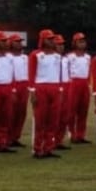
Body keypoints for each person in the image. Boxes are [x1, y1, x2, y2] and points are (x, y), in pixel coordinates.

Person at [29, 30, 66, 158]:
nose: (51, 41)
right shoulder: (36, 55)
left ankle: (48, 148)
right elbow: (32, 73)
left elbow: (59, 74)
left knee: (53, 120)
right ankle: (37, 148)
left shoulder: (57, 56)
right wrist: (32, 91)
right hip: (41, 87)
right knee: (40, 120)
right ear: (43, 40)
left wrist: (60, 90)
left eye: (52, 39)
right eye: (49, 39)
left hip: (54, 87)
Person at [65, 32, 93, 144]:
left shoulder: (88, 57)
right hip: (73, 83)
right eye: (80, 41)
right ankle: (72, 134)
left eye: (83, 41)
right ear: (74, 43)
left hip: (84, 83)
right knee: (72, 110)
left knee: (83, 110)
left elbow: (89, 72)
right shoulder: (69, 57)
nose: (82, 43)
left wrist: (89, 85)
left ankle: (81, 135)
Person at [8, 34, 30, 151]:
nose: (19, 44)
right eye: (17, 42)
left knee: (22, 112)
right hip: (13, 84)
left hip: (24, 84)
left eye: (20, 42)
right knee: (11, 112)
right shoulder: (8, 57)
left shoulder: (25, 57)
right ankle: (8, 137)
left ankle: (15, 137)